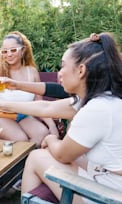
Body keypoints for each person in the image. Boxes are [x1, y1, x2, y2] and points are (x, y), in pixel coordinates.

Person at [19, 32, 122, 203]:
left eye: (63, 66)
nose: (59, 73)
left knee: (36, 156)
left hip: (110, 196)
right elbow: (46, 107)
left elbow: (61, 155)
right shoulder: (109, 99)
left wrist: (51, 139)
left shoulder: (97, 109)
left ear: (81, 70)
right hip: (109, 177)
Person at [0, 31, 58, 146]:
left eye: (13, 50)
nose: (9, 54)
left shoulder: (31, 72)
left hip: (23, 115)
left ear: (22, 50)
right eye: (5, 51)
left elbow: (39, 102)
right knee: (20, 139)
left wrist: (52, 126)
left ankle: (27, 162)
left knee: (42, 133)